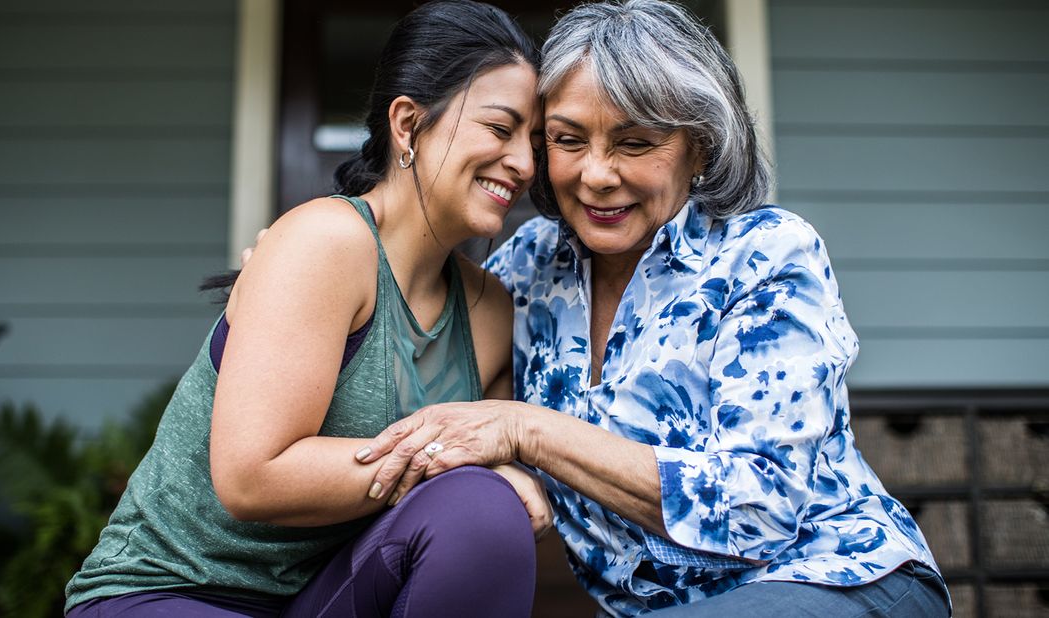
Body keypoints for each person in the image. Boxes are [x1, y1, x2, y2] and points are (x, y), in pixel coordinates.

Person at [351, 1, 951, 616]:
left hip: (838, 579)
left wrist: (529, 432)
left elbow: (758, 510)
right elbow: (419, 373)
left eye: (635, 142)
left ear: (700, 148)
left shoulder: (765, 255)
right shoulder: (526, 267)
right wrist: (316, 267)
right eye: (567, 140)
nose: (597, 174)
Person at [63, 2, 549, 617]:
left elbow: (495, 485)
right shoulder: (327, 243)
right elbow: (252, 477)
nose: (526, 165)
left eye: (534, 143)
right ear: (408, 123)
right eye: (500, 130)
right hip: (176, 591)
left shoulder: (490, 312)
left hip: (326, 595)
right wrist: (447, 463)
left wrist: (508, 478)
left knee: (481, 514)